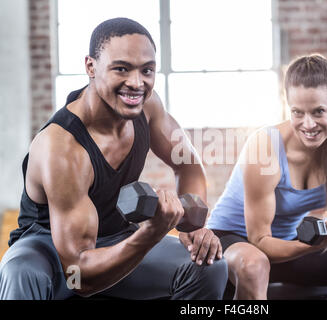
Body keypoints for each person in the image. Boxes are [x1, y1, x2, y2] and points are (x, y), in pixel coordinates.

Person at [0, 17, 227, 300]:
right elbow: (78, 277)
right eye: (121, 68)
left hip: (116, 237)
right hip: (51, 251)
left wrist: (194, 227)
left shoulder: (149, 107)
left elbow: (188, 165)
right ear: (91, 67)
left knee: (208, 265)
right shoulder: (61, 148)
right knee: (21, 273)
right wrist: (151, 234)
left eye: (147, 70)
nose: (136, 83)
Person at [206, 53, 327, 300]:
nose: (308, 124)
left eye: (319, 111)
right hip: (234, 241)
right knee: (255, 265)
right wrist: (311, 244)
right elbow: (259, 239)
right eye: (297, 112)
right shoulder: (264, 147)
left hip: (289, 245)